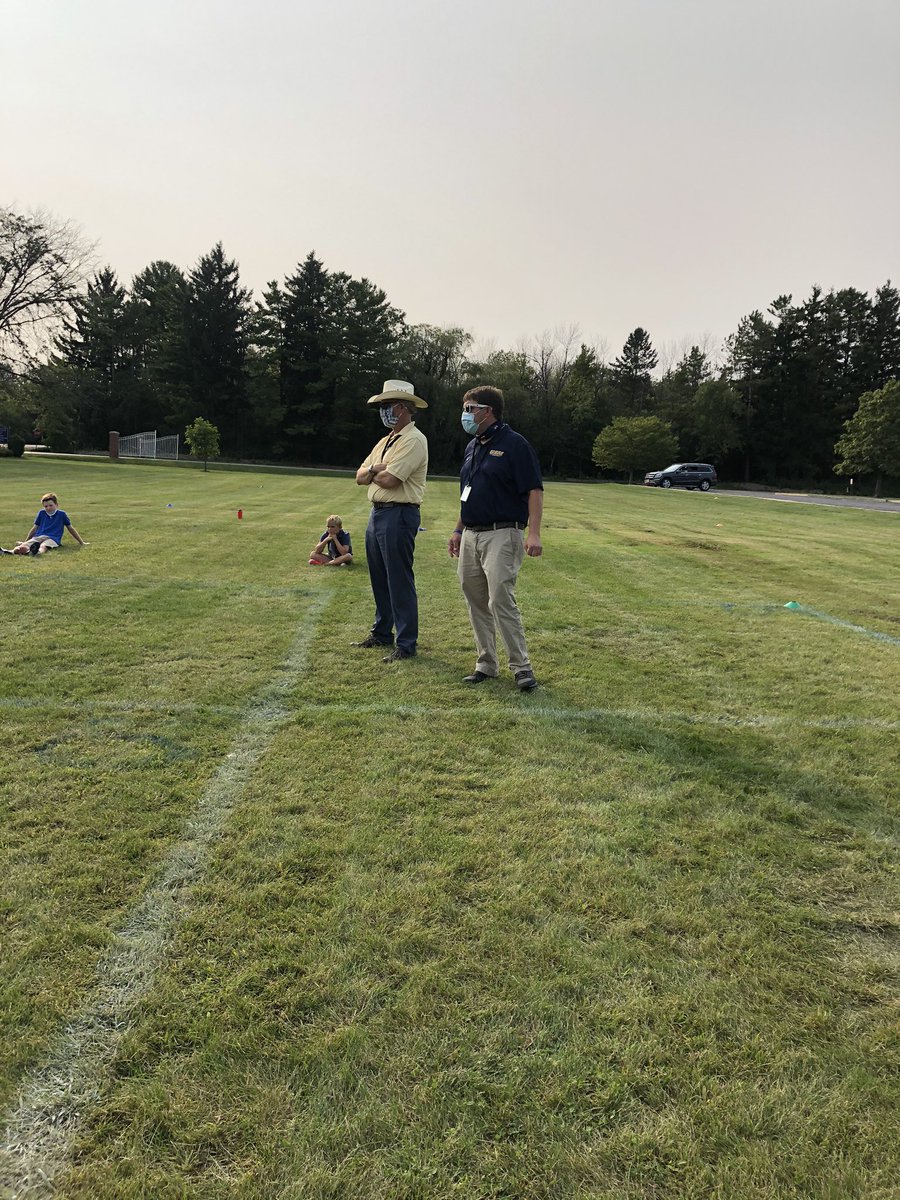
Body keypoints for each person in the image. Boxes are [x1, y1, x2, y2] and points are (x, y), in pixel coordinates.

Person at [448, 385, 543, 690]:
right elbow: (470, 492)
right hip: (471, 535)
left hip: (503, 532)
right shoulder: (473, 446)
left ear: (487, 410)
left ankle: (522, 667)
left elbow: (534, 490)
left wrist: (534, 533)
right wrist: (458, 528)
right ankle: (486, 663)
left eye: (469, 408)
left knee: (500, 598)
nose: (465, 414)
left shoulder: (515, 445)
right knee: (475, 599)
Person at [353, 379, 428, 662]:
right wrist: (374, 468)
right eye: (382, 406)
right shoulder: (385, 441)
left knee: (398, 578)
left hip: (399, 513)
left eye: (388, 405)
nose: (384, 411)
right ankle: (382, 633)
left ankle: (406, 643)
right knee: (379, 577)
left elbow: (392, 480)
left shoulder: (414, 440)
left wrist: (374, 472)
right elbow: (360, 476)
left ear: (404, 407)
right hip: (378, 513)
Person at [2, 492, 89, 556]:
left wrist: (82, 542)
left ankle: (36, 552)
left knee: (44, 546)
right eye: (46, 506)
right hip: (39, 536)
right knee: (23, 546)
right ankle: (10, 552)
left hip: (53, 538)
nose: (48, 508)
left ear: (56, 505)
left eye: (51, 505)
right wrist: (25, 541)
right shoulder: (41, 513)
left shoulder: (62, 514)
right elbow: (35, 528)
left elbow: (70, 528)